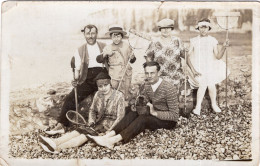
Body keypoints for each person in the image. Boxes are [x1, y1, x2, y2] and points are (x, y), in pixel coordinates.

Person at [87, 61, 179, 149]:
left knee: (143, 118)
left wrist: (155, 113)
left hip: (168, 121)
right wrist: (137, 103)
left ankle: (114, 140)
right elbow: (146, 99)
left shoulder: (169, 88)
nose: (149, 76)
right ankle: (109, 135)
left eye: (152, 73)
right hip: (153, 113)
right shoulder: (147, 85)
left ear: (158, 73)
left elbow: (175, 116)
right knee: (131, 111)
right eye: (147, 73)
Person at [39, 72, 125, 153]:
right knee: (79, 131)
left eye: (105, 85)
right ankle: (54, 142)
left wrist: (110, 131)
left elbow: (120, 117)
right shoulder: (98, 94)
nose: (103, 88)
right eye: (100, 86)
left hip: (109, 127)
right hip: (97, 123)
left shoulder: (119, 96)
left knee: (84, 136)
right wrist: (91, 121)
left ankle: (58, 148)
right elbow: (92, 110)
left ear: (110, 84)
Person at [45, 24, 107, 135]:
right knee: (70, 98)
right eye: (88, 33)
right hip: (87, 78)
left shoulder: (104, 46)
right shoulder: (80, 50)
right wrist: (75, 80)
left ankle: (103, 126)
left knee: (103, 99)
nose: (91, 36)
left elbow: (112, 63)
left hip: (102, 77)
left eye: (93, 33)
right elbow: (77, 70)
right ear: (84, 35)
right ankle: (61, 125)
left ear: (97, 34)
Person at [187, 18, 229, 115]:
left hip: (210, 67)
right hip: (198, 68)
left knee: (211, 84)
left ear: (209, 28)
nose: (203, 30)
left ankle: (214, 105)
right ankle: (198, 107)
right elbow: (187, 56)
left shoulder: (213, 40)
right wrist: (193, 69)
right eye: (201, 27)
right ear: (198, 28)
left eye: (205, 27)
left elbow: (218, 56)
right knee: (203, 83)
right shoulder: (193, 40)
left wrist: (224, 47)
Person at [96, 25, 136, 101]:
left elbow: (132, 61)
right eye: (114, 36)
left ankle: (125, 104)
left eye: (118, 36)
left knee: (125, 91)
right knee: (113, 90)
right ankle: (113, 104)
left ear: (122, 37)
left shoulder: (127, 46)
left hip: (126, 73)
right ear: (111, 37)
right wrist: (105, 54)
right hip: (114, 74)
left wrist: (132, 57)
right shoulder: (108, 47)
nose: (116, 38)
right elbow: (98, 59)